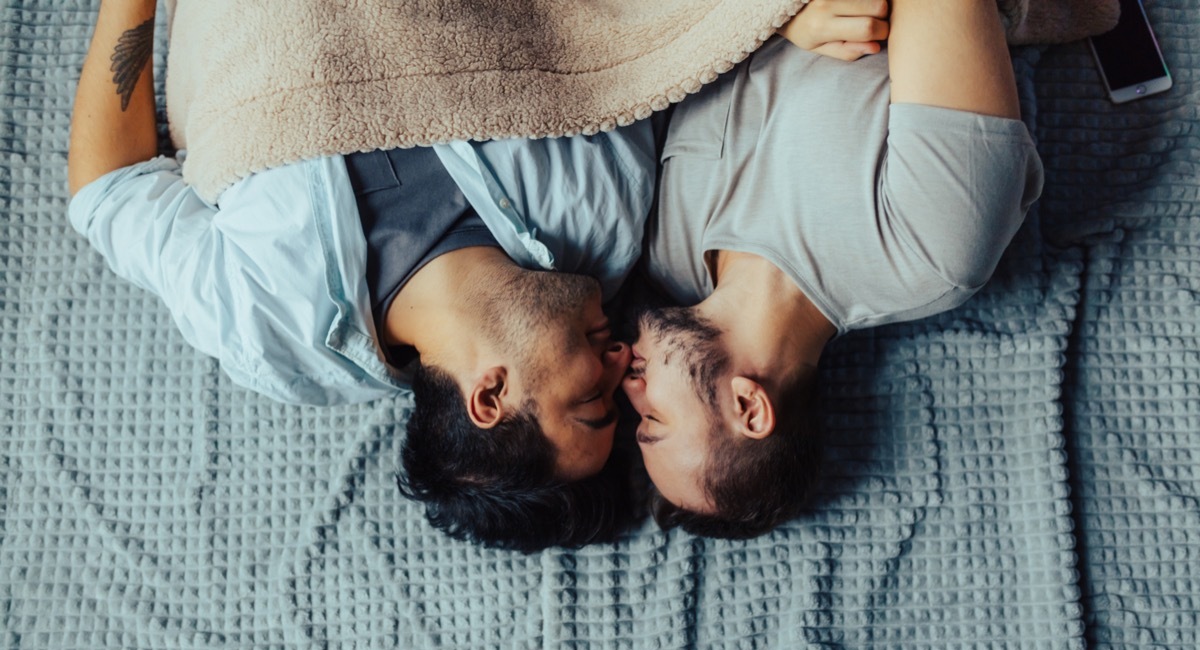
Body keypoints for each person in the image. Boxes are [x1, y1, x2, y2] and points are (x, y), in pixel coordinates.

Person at [66, 0, 655, 552]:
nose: (622, 361)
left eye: (591, 399)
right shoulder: (601, 210)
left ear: (490, 397)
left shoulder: (269, 324)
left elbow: (110, 190)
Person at [622, 0, 1046, 537]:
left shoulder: (668, 254)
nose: (629, 387)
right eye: (652, 420)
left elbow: (649, 51)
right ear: (749, 407)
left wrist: (764, 19)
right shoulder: (929, 252)